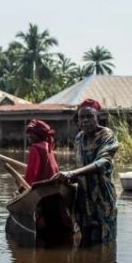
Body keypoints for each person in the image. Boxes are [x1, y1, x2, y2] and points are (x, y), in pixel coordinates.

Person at [53, 99, 120, 245]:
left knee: (104, 240)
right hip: (84, 196)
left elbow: (103, 162)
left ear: (98, 117)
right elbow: (80, 164)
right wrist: (68, 177)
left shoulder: (106, 135)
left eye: (89, 116)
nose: (85, 121)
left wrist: (72, 173)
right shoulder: (79, 138)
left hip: (102, 196)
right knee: (86, 239)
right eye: (81, 117)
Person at [23, 119, 59, 186]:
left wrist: (24, 188)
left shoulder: (35, 148)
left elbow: (31, 173)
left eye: (32, 133)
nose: (29, 136)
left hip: (42, 187)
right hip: (52, 184)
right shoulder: (48, 146)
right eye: (29, 133)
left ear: (39, 135)